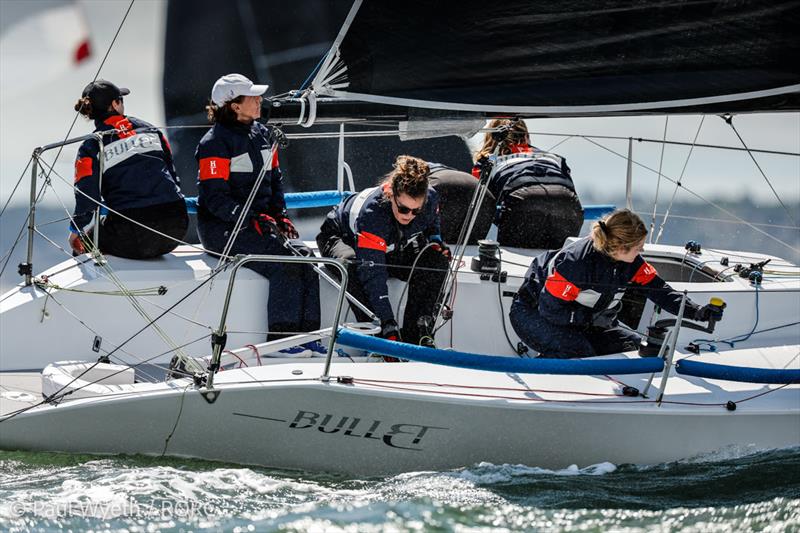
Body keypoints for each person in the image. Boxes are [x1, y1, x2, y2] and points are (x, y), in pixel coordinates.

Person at [196, 73, 321, 350]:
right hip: (224, 230)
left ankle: (309, 338)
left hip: (261, 225)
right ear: (234, 105)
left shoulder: (262, 134)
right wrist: (251, 217)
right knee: (284, 263)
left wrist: (281, 216)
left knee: (307, 259)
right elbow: (215, 200)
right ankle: (282, 342)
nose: (259, 100)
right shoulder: (213, 144)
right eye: (252, 97)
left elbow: (275, 182)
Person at [509, 209, 724, 358]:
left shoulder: (631, 263)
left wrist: (697, 311)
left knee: (635, 347)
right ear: (621, 247)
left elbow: (661, 292)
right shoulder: (576, 264)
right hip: (531, 313)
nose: (641, 251)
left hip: (583, 319)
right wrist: (592, 319)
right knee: (578, 351)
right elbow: (550, 311)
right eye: (638, 246)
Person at [317, 155, 451, 346]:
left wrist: (435, 239)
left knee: (436, 261)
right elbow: (373, 275)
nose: (410, 215)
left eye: (416, 211)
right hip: (341, 237)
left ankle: (417, 334)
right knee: (352, 266)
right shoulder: (374, 215)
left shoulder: (430, 199)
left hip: (391, 243)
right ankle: (377, 337)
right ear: (392, 196)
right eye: (404, 209)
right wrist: (387, 323)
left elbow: (431, 222)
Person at [69, 80, 188, 258]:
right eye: (121, 99)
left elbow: (87, 198)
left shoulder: (91, 146)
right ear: (115, 104)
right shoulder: (151, 130)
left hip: (133, 236)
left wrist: (75, 230)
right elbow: (173, 177)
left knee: (83, 244)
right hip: (177, 227)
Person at [472, 119, 583, 249]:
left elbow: (480, 202)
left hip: (523, 201)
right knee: (558, 259)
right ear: (526, 135)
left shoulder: (486, 162)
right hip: (568, 203)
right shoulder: (554, 157)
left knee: (514, 262)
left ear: (491, 137)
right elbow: (568, 184)